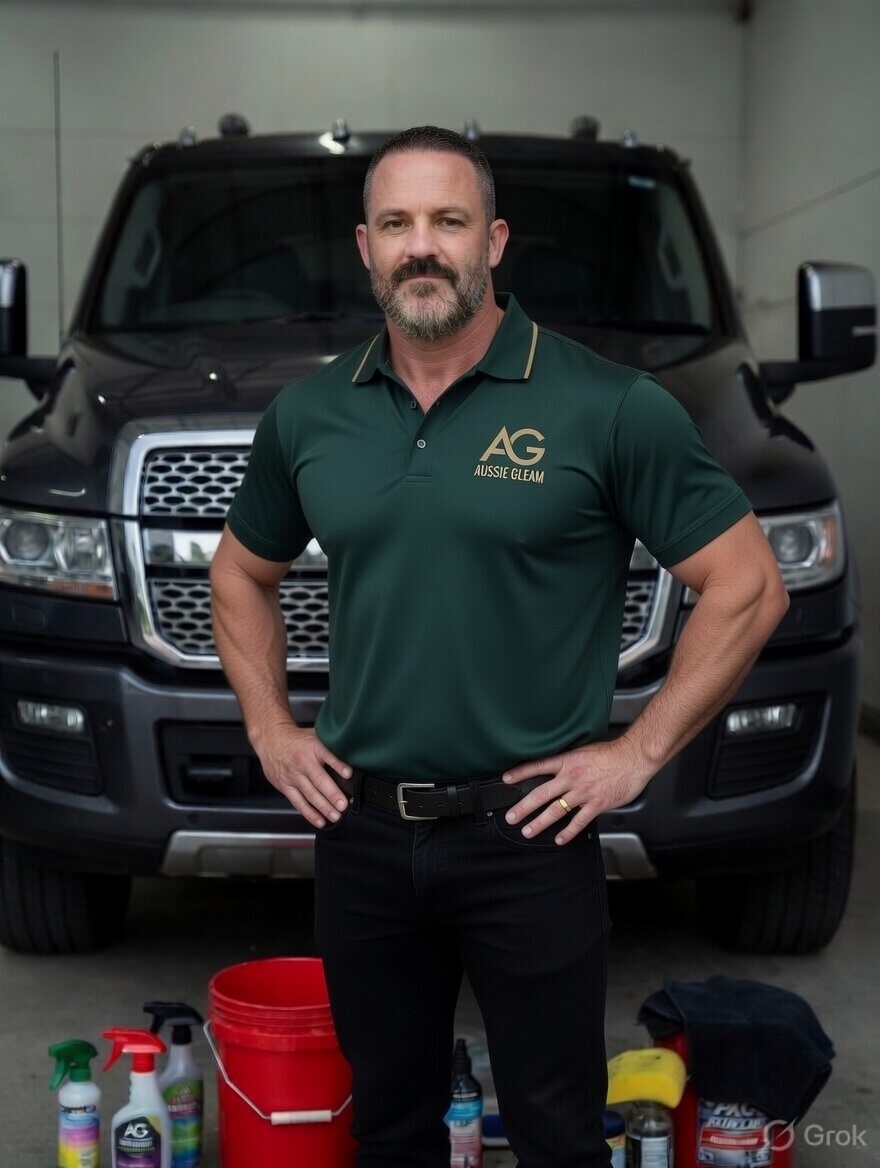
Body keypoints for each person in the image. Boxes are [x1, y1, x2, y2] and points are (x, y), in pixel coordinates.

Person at [210, 125, 789, 1168]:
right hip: (363, 831)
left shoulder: (606, 405)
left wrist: (637, 753)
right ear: (365, 247)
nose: (421, 246)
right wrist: (269, 728)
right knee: (385, 1126)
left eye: (447, 220)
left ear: (495, 241)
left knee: (557, 1129)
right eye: (397, 224)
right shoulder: (308, 416)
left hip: (527, 831)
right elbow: (239, 573)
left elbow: (745, 585)